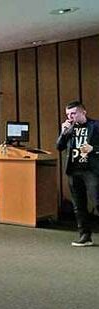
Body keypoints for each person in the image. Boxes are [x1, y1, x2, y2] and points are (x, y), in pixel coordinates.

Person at [56, 100, 99, 246]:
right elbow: (59, 146)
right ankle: (84, 236)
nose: (70, 117)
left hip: (91, 170)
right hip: (74, 170)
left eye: (73, 113)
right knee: (79, 205)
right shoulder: (68, 129)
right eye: (68, 114)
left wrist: (93, 149)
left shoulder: (95, 126)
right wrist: (63, 133)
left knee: (97, 201)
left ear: (83, 112)